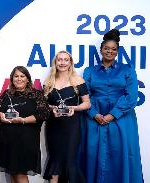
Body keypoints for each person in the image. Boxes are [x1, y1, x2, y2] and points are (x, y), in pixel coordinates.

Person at [81, 29, 143, 183]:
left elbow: (131, 96)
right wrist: (94, 114)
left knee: (120, 155)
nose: (109, 51)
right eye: (106, 48)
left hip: (121, 119)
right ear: (101, 50)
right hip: (94, 118)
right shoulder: (89, 71)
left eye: (113, 49)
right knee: (93, 154)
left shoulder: (127, 69)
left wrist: (112, 114)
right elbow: (84, 95)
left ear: (117, 52)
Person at [0, 66, 50, 183]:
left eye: (22, 76)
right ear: (12, 79)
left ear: (27, 79)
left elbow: (44, 114)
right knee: (12, 173)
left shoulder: (36, 94)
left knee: (20, 174)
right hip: (5, 140)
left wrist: (23, 120)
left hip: (25, 142)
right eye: (16, 76)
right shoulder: (7, 94)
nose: (19, 79)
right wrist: (1, 115)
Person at [43, 50, 90, 183]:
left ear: (70, 63)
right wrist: (52, 109)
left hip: (72, 127)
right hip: (54, 127)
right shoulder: (48, 81)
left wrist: (73, 108)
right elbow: (44, 105)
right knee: (55, 159)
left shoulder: (78, 80)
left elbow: (87, 104)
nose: (62, 62)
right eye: (59, 60)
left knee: (70, 161)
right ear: (55, 62)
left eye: (65, 60)